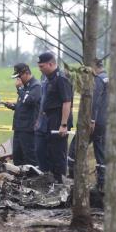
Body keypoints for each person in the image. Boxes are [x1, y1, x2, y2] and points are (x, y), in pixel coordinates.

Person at [68, 58, 108, 192]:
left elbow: (94, 101)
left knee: (75, 147)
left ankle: (73, 180)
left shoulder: (97, 80)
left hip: (95, 123)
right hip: (106, 121)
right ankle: (103, 183)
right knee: (101, 152)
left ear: (93, 66)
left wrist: (91, 120)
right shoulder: (108, 78)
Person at [34, 51, 73, 183]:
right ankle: (47, 177)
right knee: (40, 149)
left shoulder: (61, 78)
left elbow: (67, 102)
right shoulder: (44, 78)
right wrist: (39, 120)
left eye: (42, 66)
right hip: (45, 119)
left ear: (51, 64)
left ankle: (60, 181)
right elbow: (44, 99)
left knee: (57, 153)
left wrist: (63, 124)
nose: (40, 69)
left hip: (58, 118)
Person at [4, 62, 41, 166]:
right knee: (17, 156)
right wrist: (13, 106)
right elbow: (23, 104)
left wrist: (19, 89)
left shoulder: (36, 86)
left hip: (28, 128)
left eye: (19, 76)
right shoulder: (25, 87)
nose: (18, 80)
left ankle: (35, 179)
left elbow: (29, 101)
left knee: (30, 157)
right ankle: (20, 180)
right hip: (19, 128)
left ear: (26, 73)